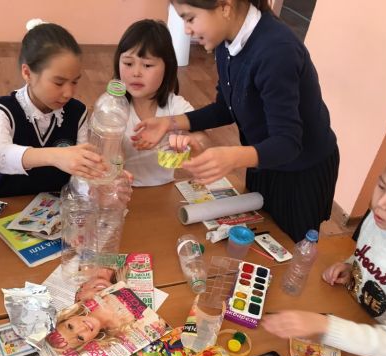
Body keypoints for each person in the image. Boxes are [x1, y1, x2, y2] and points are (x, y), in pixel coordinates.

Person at [132, 0, 339, 242]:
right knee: (259, 231)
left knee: (291, 246)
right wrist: (170, 123)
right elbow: (226, 107)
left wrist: (231, 157)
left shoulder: (276, 51)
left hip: (301, 171)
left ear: (225, 7)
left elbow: (288, 143)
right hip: (265, 158)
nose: (187, 30)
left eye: (190, 18)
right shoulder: (226, 43)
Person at [262, 140, 386, 356]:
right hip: (352, 317)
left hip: (385, 355)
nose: (381, 203)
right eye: (381, 186)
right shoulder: (380, 219)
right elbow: (372, 255)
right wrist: (351, 266)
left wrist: (324, 325)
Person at [0, 20, 107, 197]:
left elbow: (81, 176)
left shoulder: (77, 113)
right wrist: (56, 156)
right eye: (59, 83)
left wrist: (101, 185)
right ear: (27, 73)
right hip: (7, 203)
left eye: (74, 82)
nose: (69, 93)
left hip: (56, 206)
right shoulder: (3, 110)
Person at [114, 19, 208, 186]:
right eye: (128, 63)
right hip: (122, 191)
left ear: (167, 68)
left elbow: (203, 139)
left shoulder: (176, 106)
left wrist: (193, 142)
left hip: (164, 189)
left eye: (147, 65)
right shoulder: (112, 108)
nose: (136, 73)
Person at [46, 294, 136, 352]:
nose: (83, 328)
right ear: (89, 342)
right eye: (80, 338)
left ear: (70, 317)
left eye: (70, 327)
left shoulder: (89, 295)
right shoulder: (124, 328)